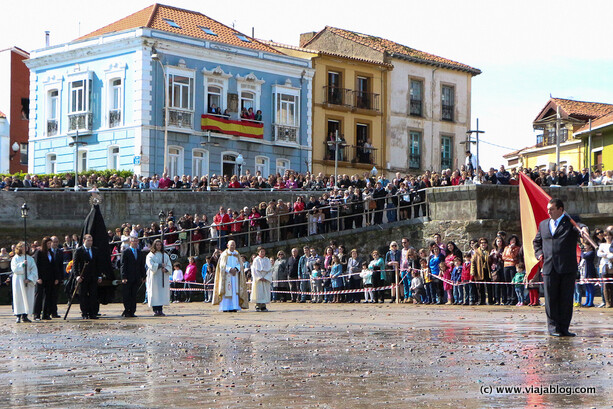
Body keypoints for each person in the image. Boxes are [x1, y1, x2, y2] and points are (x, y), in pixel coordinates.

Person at [533, 198, 588, 337]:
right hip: (549, 267)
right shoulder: (543, 224)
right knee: (551, 300)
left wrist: (584, 229)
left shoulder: (570, 223)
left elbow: (581, 226)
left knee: (565, 299)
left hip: (567, 267)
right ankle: (553, 328)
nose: (548, 212)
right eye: (548, 209)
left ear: (560, 209)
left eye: (551, 209)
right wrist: (539, 254)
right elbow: (537, 242)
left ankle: (564, 328)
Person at [213, 240, 248, 312]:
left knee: (235, 291)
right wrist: (229, 269)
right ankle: (226, 307)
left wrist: (236, 269)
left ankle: (234, 306)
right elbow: (222, 265)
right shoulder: (224, 254)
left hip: (235, 276)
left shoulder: (237, 254)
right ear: (228, 246)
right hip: (227, 275)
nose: (232, 246)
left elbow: (240, 264)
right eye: (231, 245)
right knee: (227, 291)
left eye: (234, 245)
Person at [72, 234, 102, 319]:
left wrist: (99, 276)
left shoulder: (95, 250)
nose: (90, 242)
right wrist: (77, 276)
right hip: (83, 277)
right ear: (84, 241)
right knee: (83, 296)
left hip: (93, 277)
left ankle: (92, 313)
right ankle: (84, 313)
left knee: (93, 295)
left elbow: (98, 264)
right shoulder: (79, 251)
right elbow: (75, 265)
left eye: (91, 240)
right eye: (88, 240)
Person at [10, 242, 38, 323]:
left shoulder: (30, 258)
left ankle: (25, 315)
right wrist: (22, 265)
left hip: (27, 280)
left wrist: (29, 279)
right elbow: (14, 269)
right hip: (19, 280)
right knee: (19, 297)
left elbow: (34, 270)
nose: (26, 247)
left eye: (27, 246)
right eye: (23, 246)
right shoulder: (15, 258)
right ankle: (18, 315)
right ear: (19, 247)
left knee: (27, 297)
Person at [145, 239, 172, 316]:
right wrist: (159, 265)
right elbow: (150, 265)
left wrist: (166, 269)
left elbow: (169, 265)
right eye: (157, 245)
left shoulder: (165, 255)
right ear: (154, 245)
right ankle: (155, 310)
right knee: (155, 293)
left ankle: (160, 309)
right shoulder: (150, 255)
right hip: (154, 277)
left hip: (162, 276)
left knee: (161, 293)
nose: (158, 246)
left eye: (160, 245)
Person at [120, 236, 146, 317]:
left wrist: (143, 276)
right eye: (134, 241)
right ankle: (127, 310)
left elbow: (142, 265)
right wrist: (123, 277)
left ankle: (132, 311)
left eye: (137, 241)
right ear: (130, 242)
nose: (136, 243)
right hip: (128, 277)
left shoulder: (140, 252)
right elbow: (123, 265)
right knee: (127, 295)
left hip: (136, 277)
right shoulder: (126, 252)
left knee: (134, 295)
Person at [33, 237, 57, 320]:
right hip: (41, 278)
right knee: (39, 295)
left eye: (51, 243)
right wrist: (38, 277)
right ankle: (36, 314)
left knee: (48, 296)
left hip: (49, 277)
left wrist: (55, 278)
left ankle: (46, 314)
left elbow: (53, 266)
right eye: (48, 244)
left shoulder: (51, 252)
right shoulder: (39, 252)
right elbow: (36, 265)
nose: (50, 245)